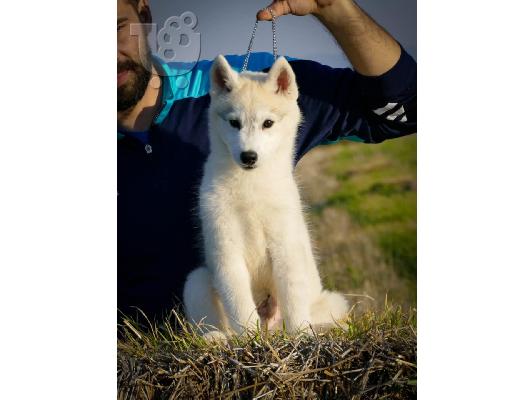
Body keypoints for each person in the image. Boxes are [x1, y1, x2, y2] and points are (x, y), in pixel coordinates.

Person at [117, 0, 417, 322]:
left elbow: (405, 109)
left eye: (116, 29)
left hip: (274, 338)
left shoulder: (249, 87)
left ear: (144, 17)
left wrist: (336, 8)